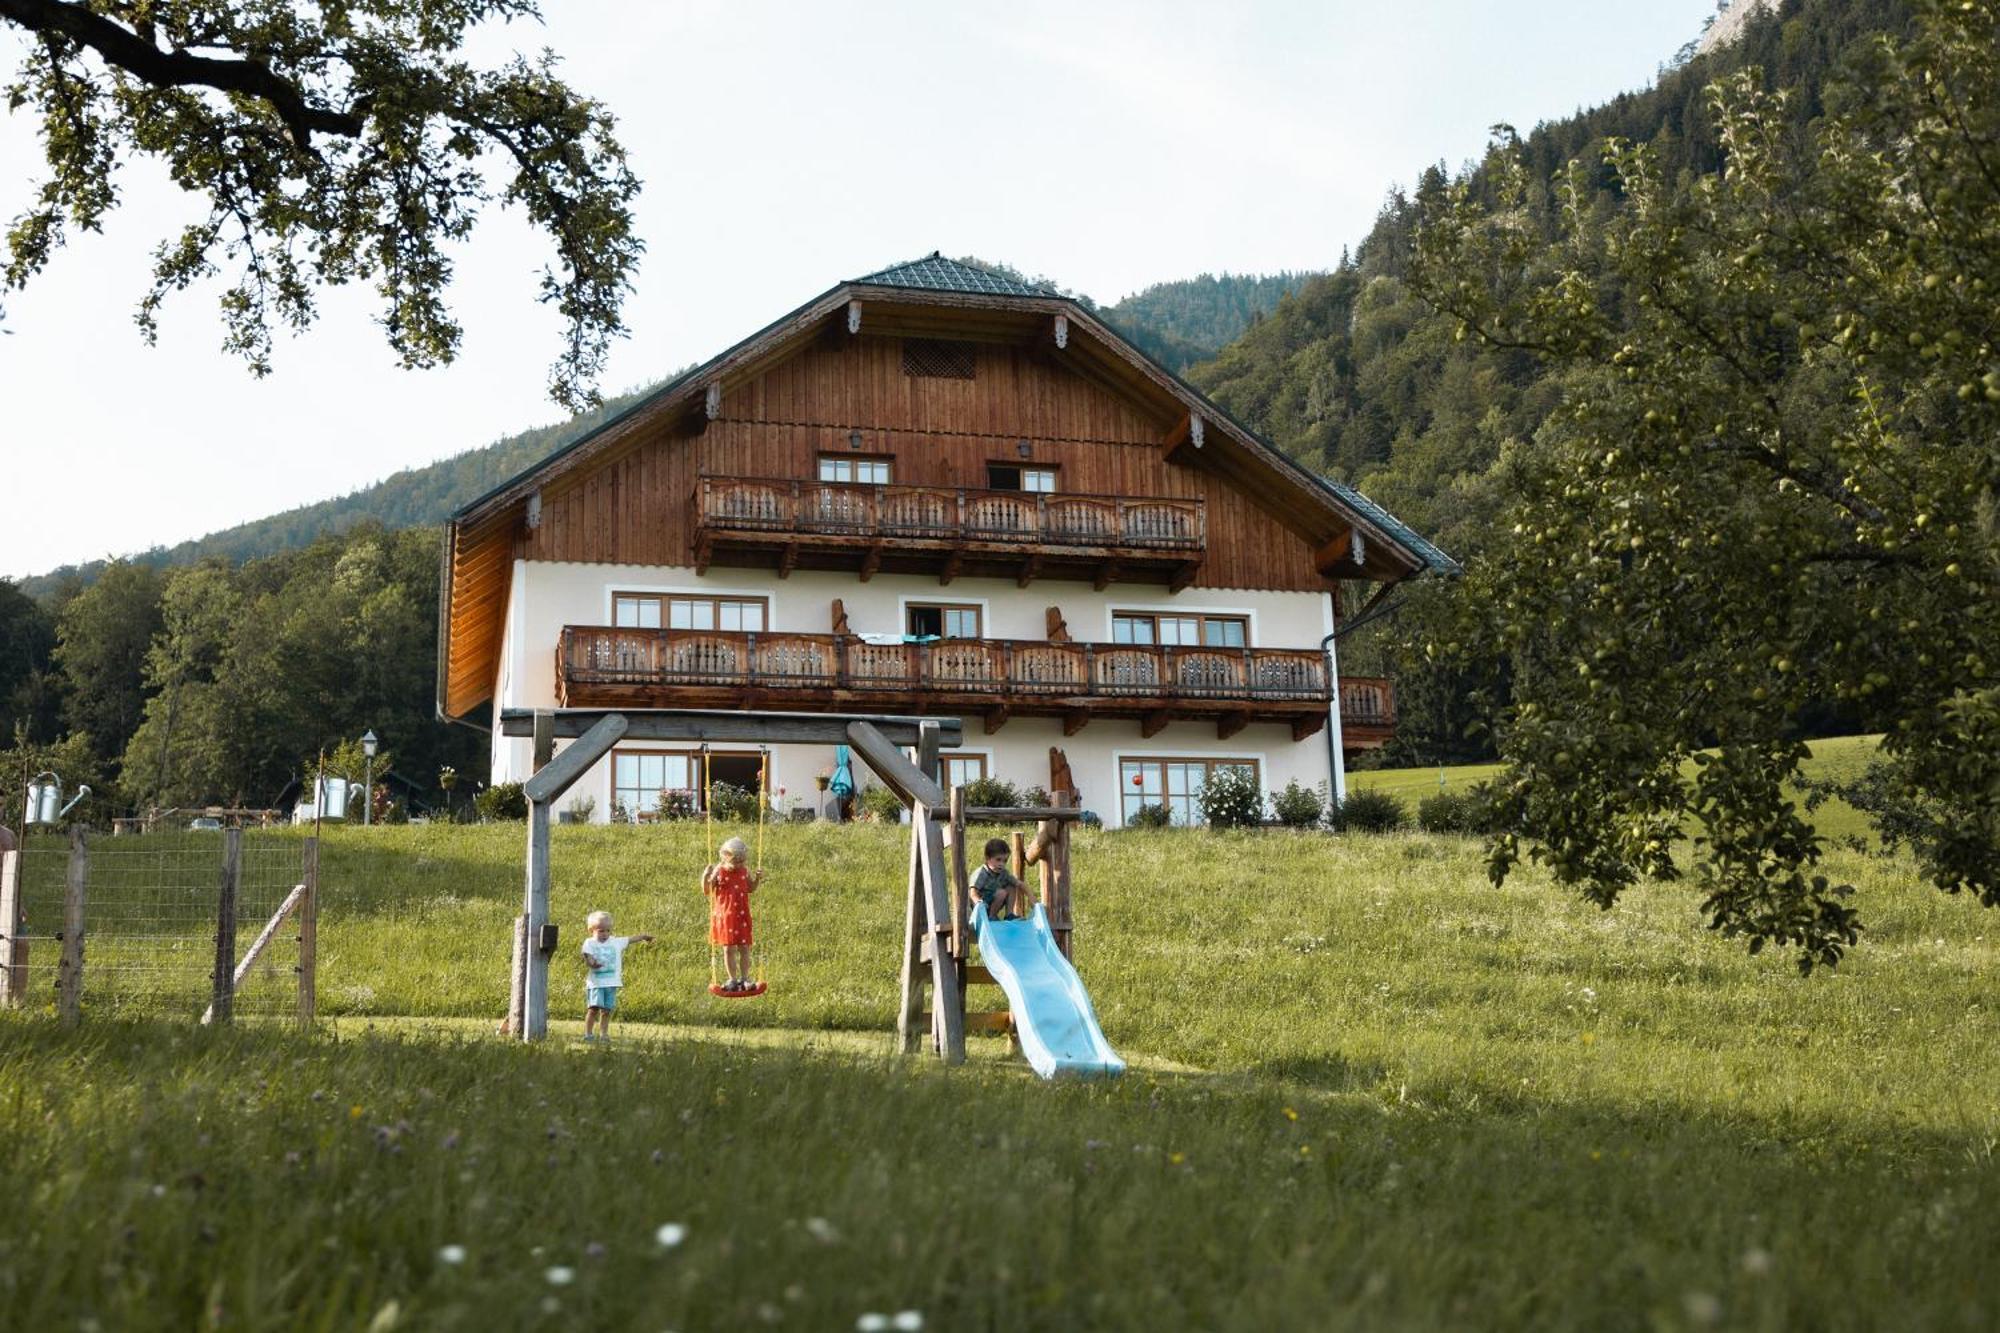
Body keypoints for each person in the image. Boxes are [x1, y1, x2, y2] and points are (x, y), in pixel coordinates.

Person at [580, 910, 653, 1041]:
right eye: (601, 931)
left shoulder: (615, 942)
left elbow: (630, 939)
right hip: (596, 983)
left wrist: (643, 936)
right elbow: (588, 957)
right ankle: (588, 1034)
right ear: (591, 930)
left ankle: (604, 1034)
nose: (605, 934)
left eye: (608, 930)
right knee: (593, 1009)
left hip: (611, 983)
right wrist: (592, 964)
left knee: (606, 1011)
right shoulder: (589, 943)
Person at [702, 836, 763, 992]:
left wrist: (757, 879)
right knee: (728, 949)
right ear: (726, 857)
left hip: (741, 914)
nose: (740, 864)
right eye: (737, 861)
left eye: (742, 861)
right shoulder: (719, 870)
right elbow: (707, 891)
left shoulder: (744, 871)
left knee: (744, 947)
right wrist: (705, 877)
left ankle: (745, 978)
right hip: (725, 917)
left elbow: (751, 889)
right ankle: (732, 980)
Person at [970, 839, 1028, 922]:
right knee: (1001, 893)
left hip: (992, 903)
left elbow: (1019, 884)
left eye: (1005, 861)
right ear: (987, 858)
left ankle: (1009, 915)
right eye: (998, 860)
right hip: (980, 907)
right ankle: (991, 918)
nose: (1001, 864)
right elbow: (972, 893)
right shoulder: (981, 873)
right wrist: (979, 903)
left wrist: (1032, 900)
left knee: (1011, 886)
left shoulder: (1003, 873)